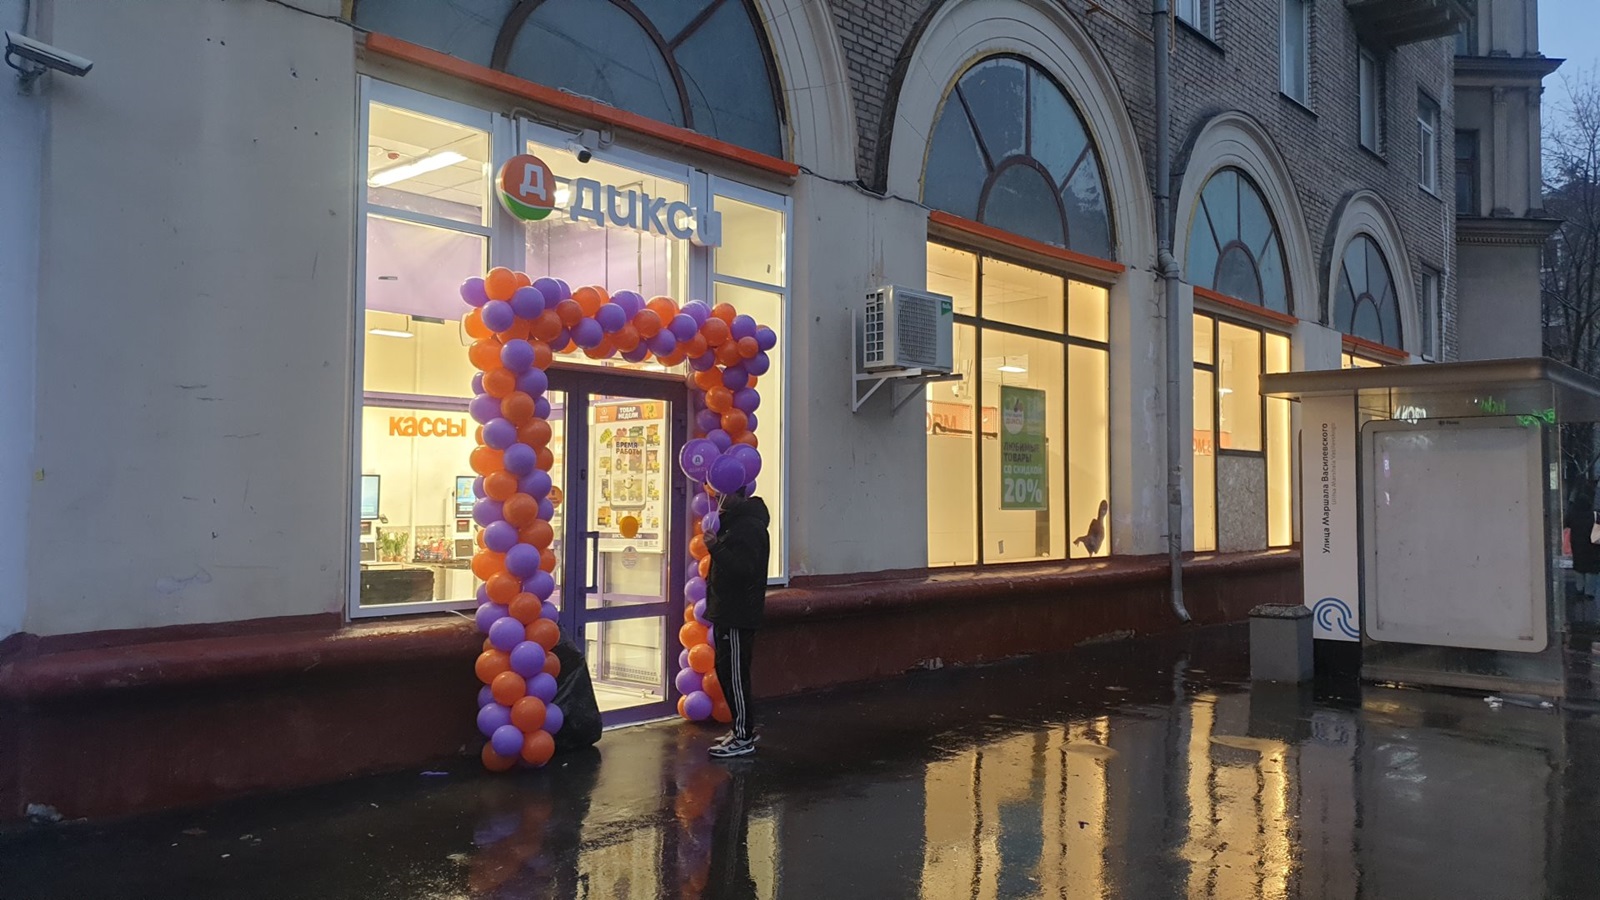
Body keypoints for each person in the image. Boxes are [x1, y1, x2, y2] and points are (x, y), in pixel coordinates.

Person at [703, 486, 770, 759]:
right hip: (726, 611)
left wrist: (715, 548)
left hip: (737, 615)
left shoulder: (749, 526)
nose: (717, 498)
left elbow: (744, 570)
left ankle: (743, 735)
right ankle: (741, 728)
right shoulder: (732, 522)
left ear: (737, 493)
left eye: (723, 493)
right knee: (725, 671)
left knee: (735, 675)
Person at [1569, 479, 1600, 624]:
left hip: (1578, 552)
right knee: (1591, 581)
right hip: (1593, 553)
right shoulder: (1595, 516)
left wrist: (1573, 495)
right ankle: (1590, 612)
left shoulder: (1573, 516)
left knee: (1579, 577)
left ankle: (1579, 597)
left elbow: (1568, 515)